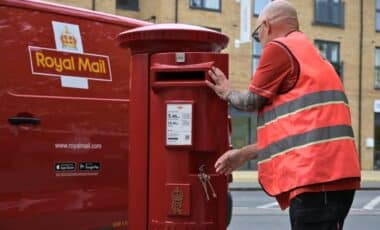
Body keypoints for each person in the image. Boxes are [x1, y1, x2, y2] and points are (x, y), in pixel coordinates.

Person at [205, 0, 361, 229]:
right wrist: (242, 155)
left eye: (258, 36)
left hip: (316, 179)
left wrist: (227, 92)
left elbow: (250, 101)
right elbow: (293, 138)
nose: (261, 42)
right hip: (332, 179)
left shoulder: (280, 48)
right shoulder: (315, 58)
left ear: (266, 26)